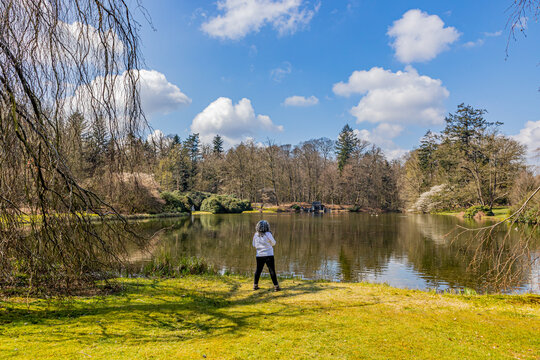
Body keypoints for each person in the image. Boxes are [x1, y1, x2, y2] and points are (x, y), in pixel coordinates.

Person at [252, 220, 281, 291]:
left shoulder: (256, 234)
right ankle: (276, 287)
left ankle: (255, 286)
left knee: (258, 270)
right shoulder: (268, 234)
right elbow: (274, 243)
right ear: (267, 227)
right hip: (269, 255)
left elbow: (254, 245)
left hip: (259, 255)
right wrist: (268, 245)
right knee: (272, 270)